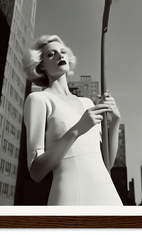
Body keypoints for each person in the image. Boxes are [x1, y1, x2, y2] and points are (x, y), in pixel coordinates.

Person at [22, 34, 123, 206]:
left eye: (62, 52)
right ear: (42, 66)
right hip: (71, 196)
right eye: (51, 54)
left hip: (108, 195)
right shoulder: (38, 100)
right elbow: (36, 172)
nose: (60, 56)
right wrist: (77, 130)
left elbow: (106, 164)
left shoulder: (87, 103)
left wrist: (116, 121)